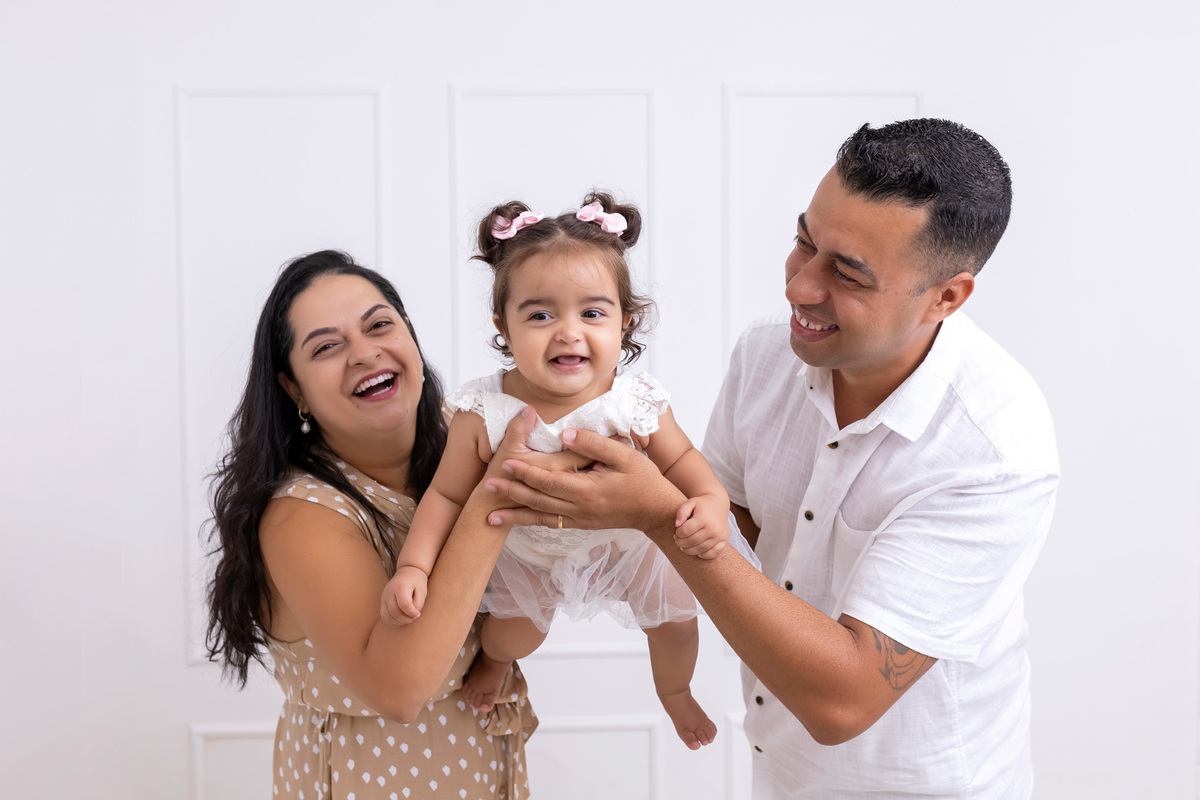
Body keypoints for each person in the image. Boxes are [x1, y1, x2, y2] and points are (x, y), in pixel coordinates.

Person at [485, 120, 1060, 798]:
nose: (799, 287)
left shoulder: (993, 454)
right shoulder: (769, 352)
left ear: (947, 297)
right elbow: (734, 530)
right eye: (803, 243)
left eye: (846, 273)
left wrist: (655, 514)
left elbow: (842, 702)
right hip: (781, 773)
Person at [379, 191, 757, 751]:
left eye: (593, 312)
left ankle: (675, 694)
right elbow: (447, 496)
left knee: (674, 622)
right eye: (540, 314)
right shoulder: (483, 411)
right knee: (515, 635)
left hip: (627, 544)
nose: (568, 331)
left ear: (625, 323)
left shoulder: (633, 401)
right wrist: (413, 565)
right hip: (527, 550)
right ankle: (494, 663)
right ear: (502, 327)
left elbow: (681, 460)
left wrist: (710, 500)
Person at [205, 250, 562, 800]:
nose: (364, 353)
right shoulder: (303, 515)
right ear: (293, 388)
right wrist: (498, 495)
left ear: (411, 338)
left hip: (482, 774)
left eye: (379, 326)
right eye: (326, 346)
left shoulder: (462, 435)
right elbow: (399, 690)